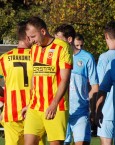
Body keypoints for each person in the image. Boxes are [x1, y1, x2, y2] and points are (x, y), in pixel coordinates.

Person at [24, 17, 73, 145]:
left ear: (43, 31)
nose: (31, 40)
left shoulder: (62, 47)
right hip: (35, 107)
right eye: (28, 37)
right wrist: (30, 103)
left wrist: (54, 104)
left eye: (33, 36)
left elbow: (65, 79)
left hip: (56, 107)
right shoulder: (34, 49)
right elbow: (35, 77)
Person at [55, 25, 99, 145]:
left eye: (58, 39)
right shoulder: (55, 57)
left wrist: (93, 109)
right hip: (60, 111)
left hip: (80, 111)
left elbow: (95, 87)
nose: (56, 42)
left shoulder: (87, 58)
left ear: (69, 40)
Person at [0, 21, 33, 145]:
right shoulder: (37, 56)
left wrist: (4, 94)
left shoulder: (5, 58)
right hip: (34, 111)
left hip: (11, 113)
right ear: (27, 37)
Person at [96, 21, 115, 145]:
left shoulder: (104, 58)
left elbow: (101, 86)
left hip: (106, 110)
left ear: (106, 36)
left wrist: (96, 109)